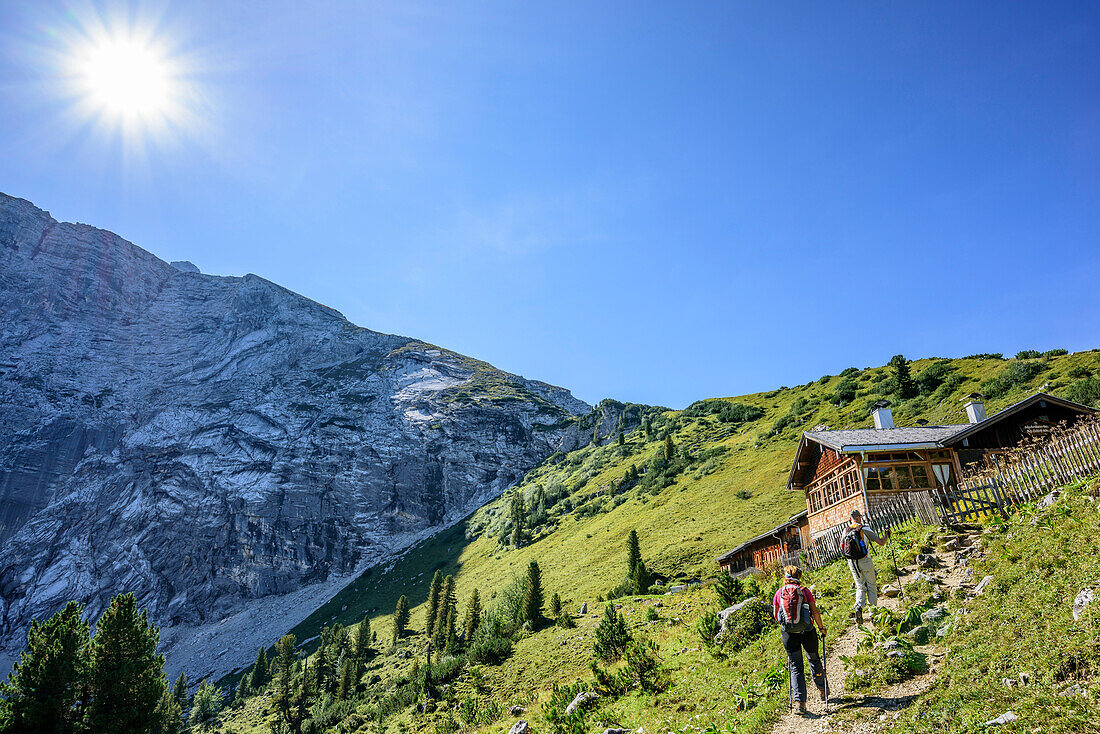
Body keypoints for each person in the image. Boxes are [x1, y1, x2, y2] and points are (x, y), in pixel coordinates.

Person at [772, 565, 827, 715]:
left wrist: (788, 626)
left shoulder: (779, 593)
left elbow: (776, 615)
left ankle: (800, 704)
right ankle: (823, 690)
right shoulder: (804, 591)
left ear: (785, 578)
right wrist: (821, 628)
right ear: (799, 577)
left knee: (796, 666)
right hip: (807, 631)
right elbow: (814, 611)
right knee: (814, 659)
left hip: (789, 634)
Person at [844, 509, 891, 623]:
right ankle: (873, 613)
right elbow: (881, 542)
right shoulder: (864, 528)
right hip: (865, 560)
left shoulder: (845, 530)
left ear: (850, 519)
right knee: (871, 586)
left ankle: (858, 606)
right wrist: (887, 535)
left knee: (860, 586)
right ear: (859, 517)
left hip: (852, 562)